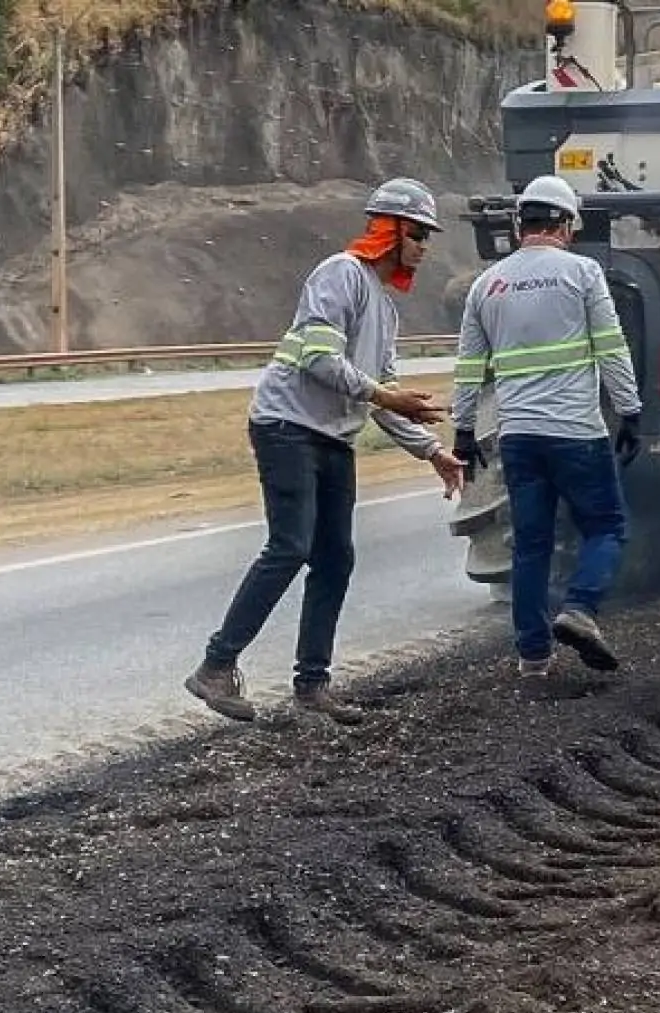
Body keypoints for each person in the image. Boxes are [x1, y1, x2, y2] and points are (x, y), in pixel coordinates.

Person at [184, 177, 466, 726]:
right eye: (418, 234)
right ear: (390, 230)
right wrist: (384, 394)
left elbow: (382, 399)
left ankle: (312, 686)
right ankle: (216, 667)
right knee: (290, 545)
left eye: (429, 236)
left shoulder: (385, 308)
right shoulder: (340, 275)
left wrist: (432, 451)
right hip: (286, 425)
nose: (425, 246)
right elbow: (319, 359)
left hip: (332, 435)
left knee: (336, 557)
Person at [450, 174, 642, 677]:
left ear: (519, 225)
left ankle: (533, 657)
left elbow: (471, 368)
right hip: (577, 432)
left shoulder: (485, 285)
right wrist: (631, 409)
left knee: (531, 545)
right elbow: (611, 347)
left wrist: (464, 431)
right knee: (607, 526)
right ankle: (580, 610)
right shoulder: (583, 273)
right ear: (568, 225)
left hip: (518, 437)